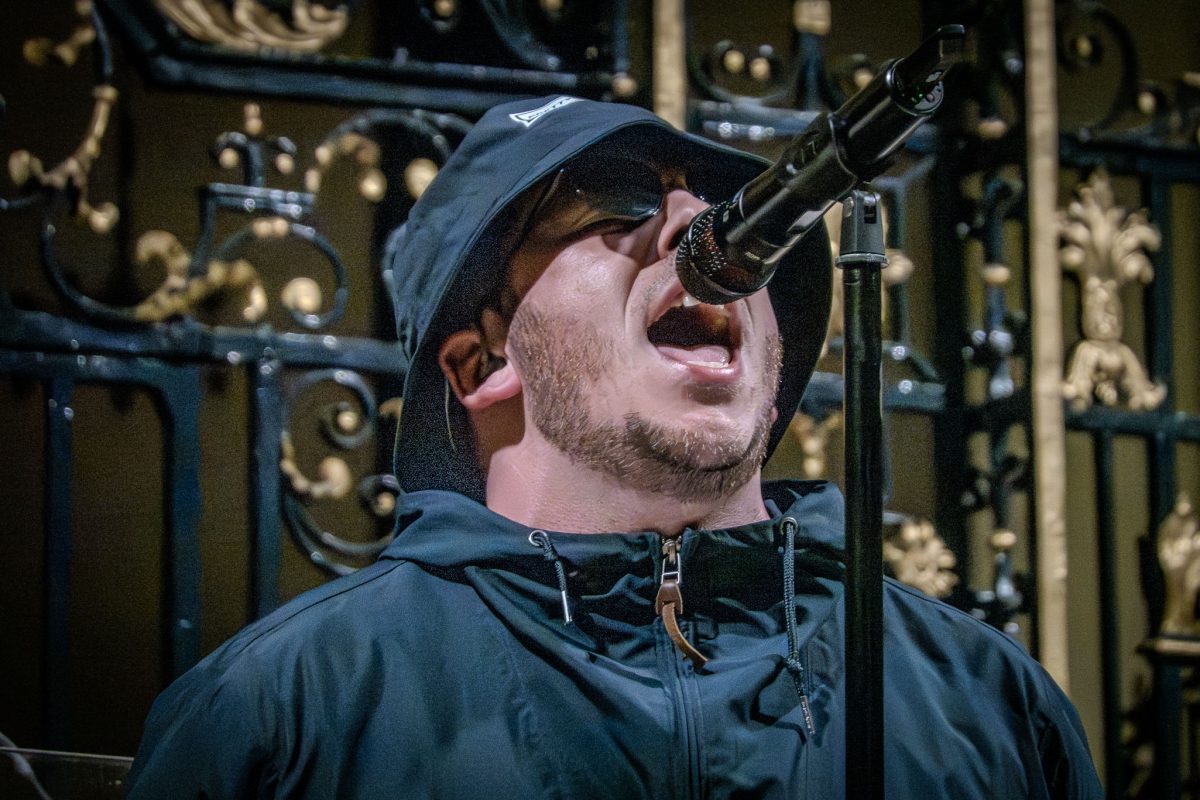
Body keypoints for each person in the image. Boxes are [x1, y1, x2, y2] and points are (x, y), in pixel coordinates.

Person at [125, 96, 1103, 798]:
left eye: (718, 200)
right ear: (479, 364)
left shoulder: (984, 698)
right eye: (613, 204)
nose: (696, 224)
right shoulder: (284, 713)